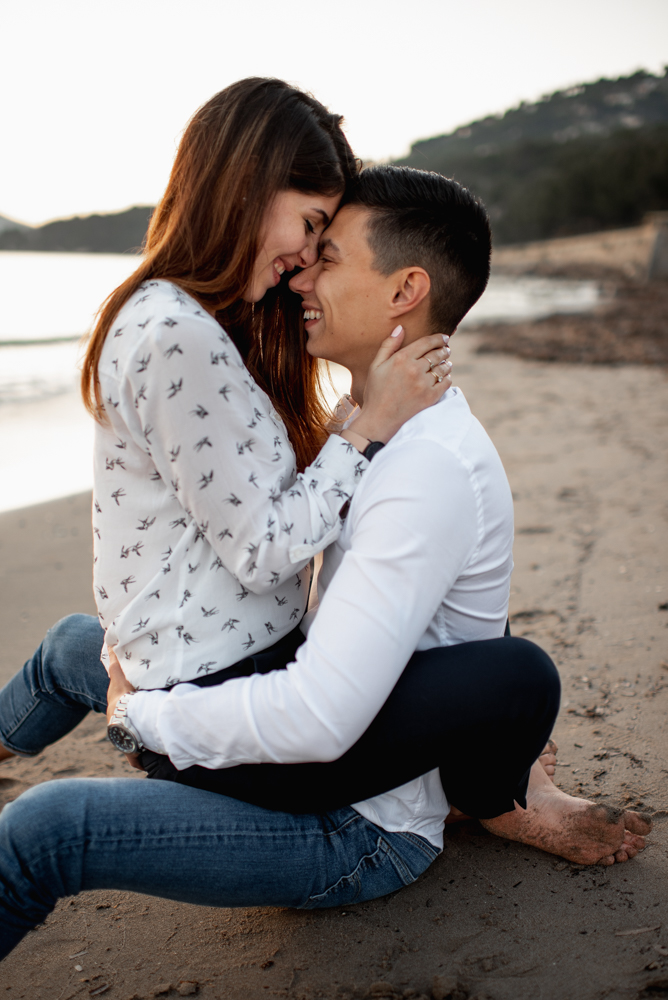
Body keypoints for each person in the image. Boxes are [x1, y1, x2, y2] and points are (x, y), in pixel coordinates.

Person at [0, 165, 650, 962]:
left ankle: (489, 797)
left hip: (351, 826)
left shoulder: (426, 469)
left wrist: (141, 716)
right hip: (338, 739)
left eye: (330, 256)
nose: (302, 274)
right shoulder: (379, 428)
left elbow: (316, 715)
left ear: (405, 290)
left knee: (43, 830)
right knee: (82, 639)